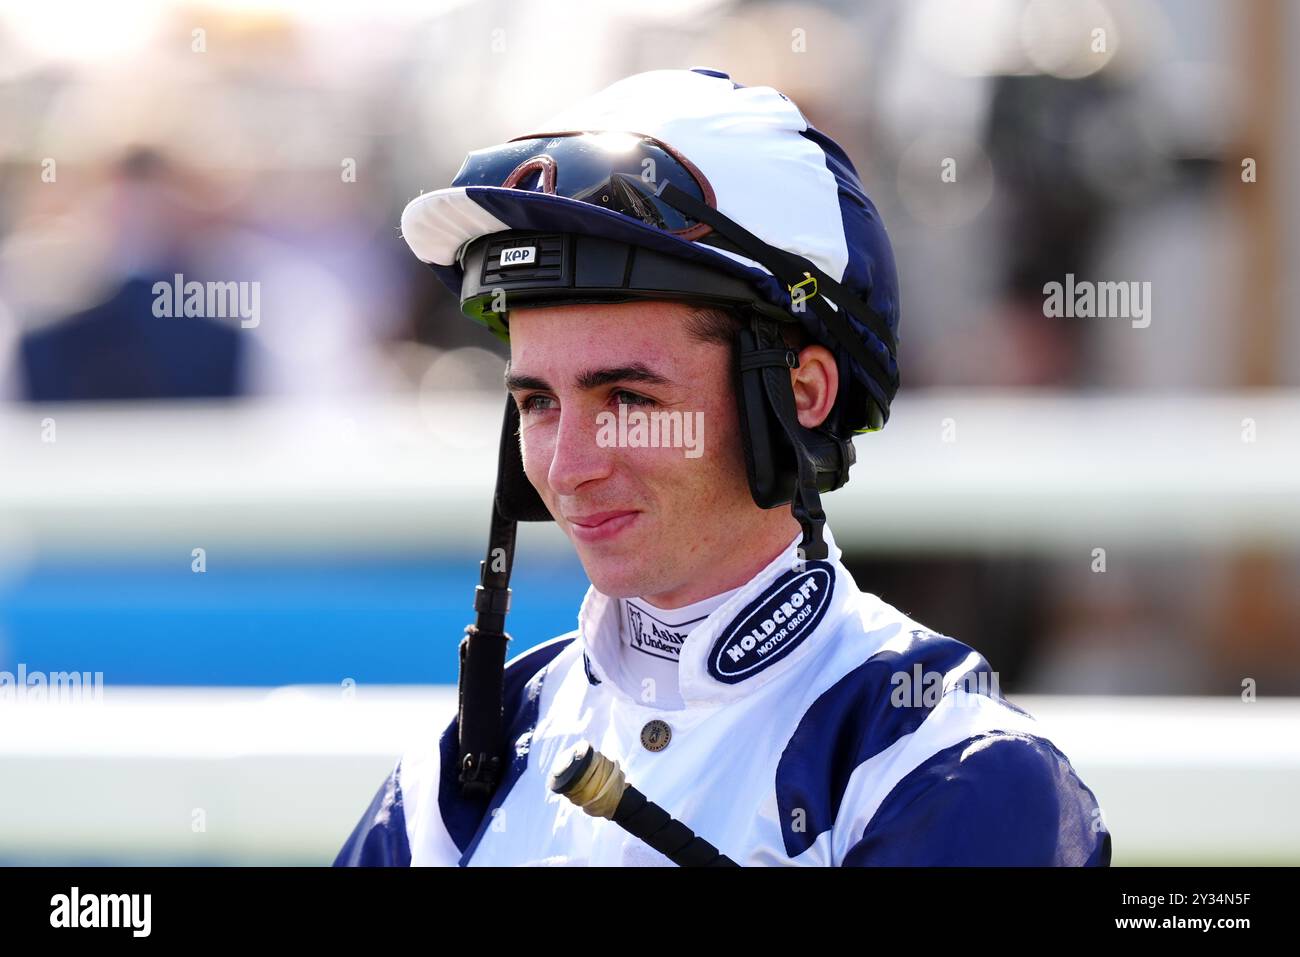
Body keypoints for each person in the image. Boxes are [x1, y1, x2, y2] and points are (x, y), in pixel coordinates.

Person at [335, 68, 1111, 867]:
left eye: (629, 398)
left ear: (803, 393)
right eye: (538, 402)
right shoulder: (450, 777)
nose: (567, 467)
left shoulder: (955, 772)